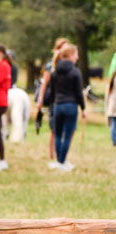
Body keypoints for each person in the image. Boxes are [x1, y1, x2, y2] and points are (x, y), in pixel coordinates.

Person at [49, 43, 86, 171]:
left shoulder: (54, 72)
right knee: (68, 135)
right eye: (76, 54)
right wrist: (83, 108)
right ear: (70, 55)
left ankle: (59, 161)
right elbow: (79, 93)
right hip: (71, 105)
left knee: (58, 135)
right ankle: (62, 161)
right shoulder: (75, 72)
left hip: (58, 105)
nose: (77, 56)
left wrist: (52, 107)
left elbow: (52, 92)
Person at [36, 37, 69, 166]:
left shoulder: (69, 64)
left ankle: (61, 154)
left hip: (65, 99)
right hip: (54, 100)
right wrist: (40, 98)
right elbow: (44, 84)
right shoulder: (51, 65)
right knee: (55, 128)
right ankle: (52, 153)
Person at [105, 71, 116, 146]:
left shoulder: (112, 79)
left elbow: (107, 94)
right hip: (113, 105)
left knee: (113, 124)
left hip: (112, 105)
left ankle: (114, 140)